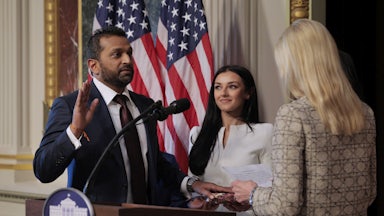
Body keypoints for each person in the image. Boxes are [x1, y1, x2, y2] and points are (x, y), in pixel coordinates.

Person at [33, 26, 231, 206]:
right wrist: (74, 130)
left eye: (129, 53)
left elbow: (152, 161)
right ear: (94, 66)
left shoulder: (144, 105)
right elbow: (43, 170)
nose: (127, 60)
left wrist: (191, 184)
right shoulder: (70, 106)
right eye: (117, 54)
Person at [231, 19, 376, 215]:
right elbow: (370, 192)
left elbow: (284, 207)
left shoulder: (293, 115)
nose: (282, 73)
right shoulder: (365, 112)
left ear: (295, 65)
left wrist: (252, 193)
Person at [188, 65, 273, 215]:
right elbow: (193, 185)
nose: (224, 93)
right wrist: (196, 202)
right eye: (218, 87)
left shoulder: (265, 132)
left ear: (248, 93)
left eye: (232, 86)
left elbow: (273, 190)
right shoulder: (197, 134)